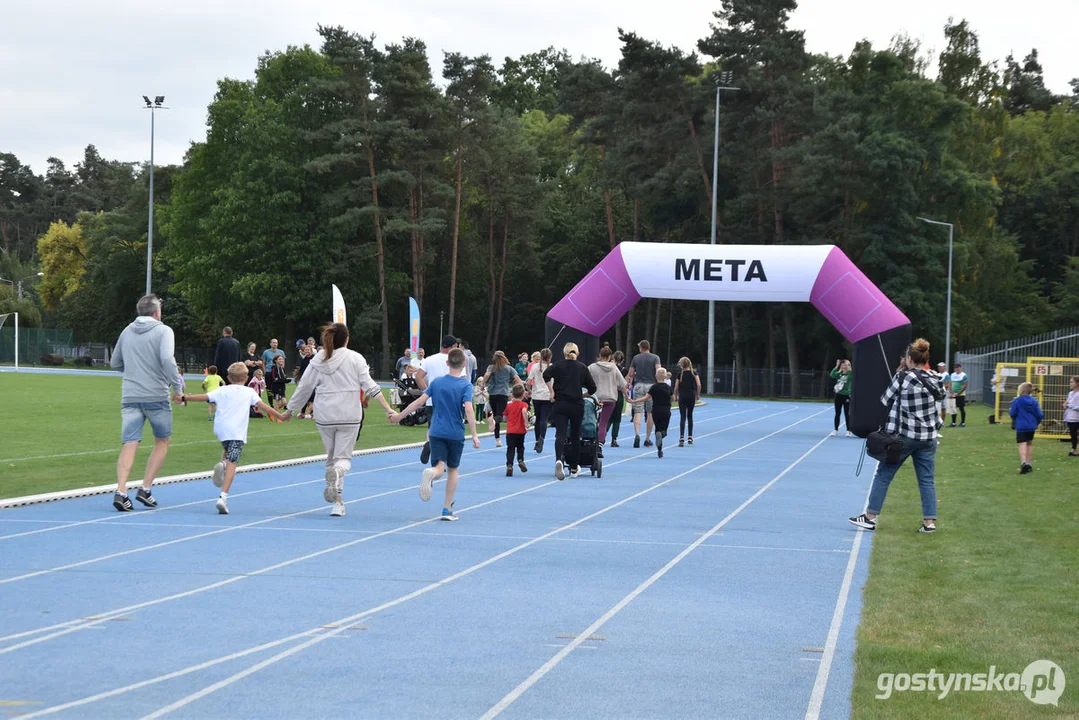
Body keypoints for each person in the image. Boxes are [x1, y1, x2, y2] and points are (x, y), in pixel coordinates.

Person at [285, 322, 394, 517]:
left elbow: (304, 388)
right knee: (342, 459)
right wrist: (388, 409)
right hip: (350, 415)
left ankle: (338, 502)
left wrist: (290, 410)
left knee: (331, 457)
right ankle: (337, 478)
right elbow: (370, 386)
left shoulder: (318, 360)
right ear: (347, 339)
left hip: (324, 415)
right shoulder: (355, 358)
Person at [849, 338, 945, 533]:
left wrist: (898, 374)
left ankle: (870, 517)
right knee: (926, 479)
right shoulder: (935, 378)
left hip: (904, 436)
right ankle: (929, 523)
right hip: (928, 437)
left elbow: (885, 399)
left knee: (884, 474)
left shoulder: (903, 378)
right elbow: (941, 396)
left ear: (910, 358)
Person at [109, 295, 186, 512]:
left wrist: (135, 371)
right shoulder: (164, 331)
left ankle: (121, 491)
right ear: (157, 312)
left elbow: (115, 363)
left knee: (130, 443)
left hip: (131, 395)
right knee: (162, 441)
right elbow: (166, 359)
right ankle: (145, 487)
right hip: (156, 396)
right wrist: (178, 388)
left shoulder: (126, 331)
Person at [178, 362, 287, 514]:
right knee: (233, 463)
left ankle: (222, 463)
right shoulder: (249, 392)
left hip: (222, 430)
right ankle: (223, 496)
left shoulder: (222, 390)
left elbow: (204, 397)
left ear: (228, 377)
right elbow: (264, 407)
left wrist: (184, 397)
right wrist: (280, 415)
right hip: (236, 432)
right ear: (247, 377)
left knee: (227, 451)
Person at [391, 348, 479, 521]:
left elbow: (419, 402)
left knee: (440, 466)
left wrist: (399, 416)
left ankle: (431, 472)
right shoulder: (465, 385)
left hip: (436, 431)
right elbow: (468, 408)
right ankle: (447, 509)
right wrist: (474, 435)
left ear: (447, 363)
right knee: (453, 469)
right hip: (455, 433)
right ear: (463, 365)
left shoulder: (437, 382)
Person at [542, 342, 597, 480]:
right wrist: (583, 394)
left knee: (560, 434)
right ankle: (573, 467)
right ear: (577, 354)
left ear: (564, 353)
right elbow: (593, 389)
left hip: (560, 403)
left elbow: (546, 375)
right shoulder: (582, 368)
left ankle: (559, 459)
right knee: (575, 436)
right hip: (577, 405)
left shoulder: (558, 365)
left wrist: (551, 391)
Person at [415, 335, 459, 464]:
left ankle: (429, 443)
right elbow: (460, 380)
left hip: (432, 400)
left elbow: (419, 377)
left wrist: (427, 392)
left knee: (432, 427)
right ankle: (442, 460)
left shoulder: (429, 359)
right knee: (447, 430)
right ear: (451, 347)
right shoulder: (454, 360)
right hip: (450, 401)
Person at [628, 368, 674, 458]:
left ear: (656, 376)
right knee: (664, 429)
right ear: (665, 377)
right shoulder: (668, 388)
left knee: (657, 428)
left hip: (656, 411)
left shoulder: (654, 387)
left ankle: (659, 450)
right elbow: (673, 398)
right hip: (666, 411)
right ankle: (662, 434)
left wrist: (635, 400)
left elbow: (645, 397)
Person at [481, 351, 523, 448]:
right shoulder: (509, 368)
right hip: (503, 393)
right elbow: (517, 379)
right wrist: (522, 389)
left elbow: (487, 375)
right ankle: (493, 421)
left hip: (493, 394)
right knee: (500, 416)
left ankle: (497, 440)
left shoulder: (492, 367)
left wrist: (483, 384)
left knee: (496, 415)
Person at [588, 346, 628, 447]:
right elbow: (622, 383)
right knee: (604, 422)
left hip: (596, 398)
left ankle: (592, 440)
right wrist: (627, 396)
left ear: (599, 355)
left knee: (593, 421)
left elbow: (586, 380)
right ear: (610, 356)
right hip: (610, 398)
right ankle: (600, 443)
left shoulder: (592, 367)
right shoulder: (613, 367)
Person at [625, 339, 661, 448]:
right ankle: (647, 438)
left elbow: (631, 373)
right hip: (651, 386)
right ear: (648, 347)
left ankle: (637, 434)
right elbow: (658, 371)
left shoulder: (636, 358)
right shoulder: (655, 357)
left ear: (641, 348)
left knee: (638, 411)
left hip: (639, 385)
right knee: (650, 412)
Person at [1010, 382, 1044, 474]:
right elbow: (1040, 414)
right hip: (1031, 425)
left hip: (1021, 425)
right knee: (1029, 443)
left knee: (1022, 443)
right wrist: (1036, 422)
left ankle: (1023, 462)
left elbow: (1012, 413)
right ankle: (1029, 463)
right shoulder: (1034, 401)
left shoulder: (1017, 401)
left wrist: (1015, 418)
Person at [527, 347, 554, 453]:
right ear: (550, 357)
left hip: (536, 396)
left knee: (538, 419)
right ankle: (542, 437)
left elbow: (529, 381)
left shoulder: (534, 367)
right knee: (544, 419)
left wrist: (529, 391)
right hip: (547, 396)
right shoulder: (552, 367)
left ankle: (537, 440)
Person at [673, 357, 701, 446]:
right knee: (690, 416)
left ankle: (681, 437)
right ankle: (690, 437)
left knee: (682, 416)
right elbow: (699, 385)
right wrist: (697, 394)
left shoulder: (679, 374)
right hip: (691, 395)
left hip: (682, 396)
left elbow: (676, 387)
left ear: (681, 365)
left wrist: (675, 396)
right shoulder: (694, 373)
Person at [503, 384, 530, 476]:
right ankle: (520, 460)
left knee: (510, 448)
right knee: (520, 447)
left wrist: (508, 420)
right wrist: (526, 423)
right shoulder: (524, 404)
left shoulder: (509, 405)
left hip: (510, 431)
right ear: (523, 395)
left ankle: (509, 465)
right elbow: (524, 411)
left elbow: (505, 417)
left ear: (512, 395)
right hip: (520, 431)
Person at [609, 351, 629, 447]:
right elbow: (624, 385)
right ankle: (614, 439)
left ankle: (601, 437)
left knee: (607, 417)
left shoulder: (609, 368)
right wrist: (626, 396)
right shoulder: (624, 370)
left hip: (608, 393)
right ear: (623, 360)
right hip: (618, 394)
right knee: (617, 419)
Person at [830, 359, 854, 437]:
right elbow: (832, 375)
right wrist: (837, 366)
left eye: (845, 365)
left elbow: (852, 372)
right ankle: (835, 429)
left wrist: (848, 364)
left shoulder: (850, 374)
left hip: (846, 395)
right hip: (838, 395)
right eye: (842, 365)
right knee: (837, 413)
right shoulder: (839, 374)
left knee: (847, 414)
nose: (844, 366)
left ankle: (848, 430)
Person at [948, 362, 968, 427]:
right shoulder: (952, 375)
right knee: (952, 408)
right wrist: (950, 392)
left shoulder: (964, 375)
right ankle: (953, 423)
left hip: (961, 395)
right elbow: (950, 384)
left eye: (958, 368)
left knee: (961, 408)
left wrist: (958, 393)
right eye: (955, 368)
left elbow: (965, 385)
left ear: (960, 368)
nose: (956, 369)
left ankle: (963, 423)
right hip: (953, 395)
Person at [1065, 376, 1079, 457]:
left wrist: (1070, 406)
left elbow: (1074, 406)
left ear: (1077, 383)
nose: (1070, 384)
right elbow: (1068, 402)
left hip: (1077, 418)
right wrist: (1065, 405)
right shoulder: (1070, 393)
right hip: (1070, 417)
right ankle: (1073, 449)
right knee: (1073, 435)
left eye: (1072, 382)